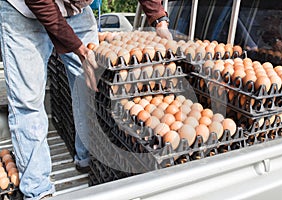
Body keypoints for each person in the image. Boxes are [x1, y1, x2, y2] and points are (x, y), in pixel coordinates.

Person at [0, 0, 172, 199]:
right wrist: (81, 50)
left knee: (89, 85)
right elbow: (40, 3)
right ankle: (38, 190)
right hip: (24, 10)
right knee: (27, 102)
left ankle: (87, 158)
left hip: (75, 11)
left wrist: (159, 20)